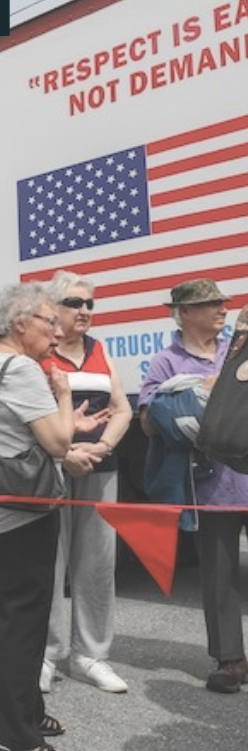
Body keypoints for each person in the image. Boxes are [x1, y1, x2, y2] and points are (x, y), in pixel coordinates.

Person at [0, 282, 74, 751]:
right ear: (19, 323)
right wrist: (65, 397)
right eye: (49, 320)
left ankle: (25, 709)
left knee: (1, 619)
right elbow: (56, 442)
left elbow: (12, 438)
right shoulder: (24, 369)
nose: (59, 329)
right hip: (24, 513)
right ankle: (11, 737)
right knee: (23, 622)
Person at [138, 278, 248, 694]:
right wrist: (190, 397)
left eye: (222, 304)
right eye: (210, 305)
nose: (221, 310)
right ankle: (230, 660)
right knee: (220, 575)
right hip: (213, 484)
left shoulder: (237, 347)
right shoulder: (167, 362)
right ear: (184, 313)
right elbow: (148, 422)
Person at [41, 271, 132, 695]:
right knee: (49, 561)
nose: (84, 311)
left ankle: (89, 656)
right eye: (75, 303)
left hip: (99, 468)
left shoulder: (100, 350)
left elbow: (123, 410)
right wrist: (66, 453)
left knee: (97, 564)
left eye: (89, 304)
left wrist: (101, 449)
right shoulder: (42, 353)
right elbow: (34, 415)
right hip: (53, 468)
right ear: (54, 308)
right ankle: (46, 653)